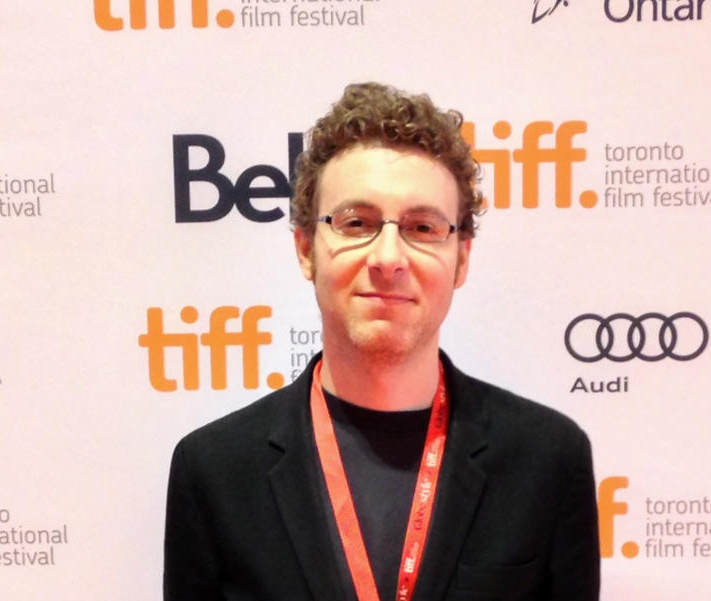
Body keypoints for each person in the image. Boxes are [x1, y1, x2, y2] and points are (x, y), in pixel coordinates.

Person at [164, 82, 600, 601]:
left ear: (461, 258)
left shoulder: (547, 460)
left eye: (421, 226)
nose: (388, 257)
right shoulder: (214, 471)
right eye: (356, 223)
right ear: (306, 249)